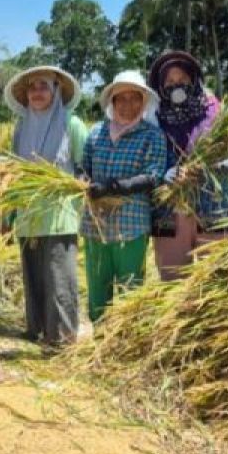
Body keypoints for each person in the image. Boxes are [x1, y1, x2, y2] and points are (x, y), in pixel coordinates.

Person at [3, 66, 90, 345]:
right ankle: (37, 330)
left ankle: (62, 336)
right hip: (28, 213)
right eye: (32, 87)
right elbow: (13, 172)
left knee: (59, 277)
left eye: (43, 86)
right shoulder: (21, 127)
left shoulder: (72, 125)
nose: (37, 92)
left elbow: (85, 168)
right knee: (34, 275)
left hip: (59, 214)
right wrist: (8, 215)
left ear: (56, 91)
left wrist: (73, 185)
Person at [148, 50, 228, 281]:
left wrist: (221, 167)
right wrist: (165, 175)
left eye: (182, 79)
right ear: (160, 87)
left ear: (194, 80)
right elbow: (145, 165)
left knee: (216, 283)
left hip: (214, 210)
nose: (176, 86)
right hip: (170, 217)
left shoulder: (218, 113)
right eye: (169, 82)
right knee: (172, 284)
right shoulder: (153, 120)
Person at [80, 71, 166, 322]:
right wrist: (82, 179)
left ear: (143, 102)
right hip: (96, 226)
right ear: (113, 102)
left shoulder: (152, 135)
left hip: (131, 227)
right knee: (98, 293)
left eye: (134, 98)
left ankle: (128, 341)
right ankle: (100, 339)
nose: (128, 104)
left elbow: (153, 176)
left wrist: (112, 187)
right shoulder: (96, 133)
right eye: (122, 98)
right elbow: (83, 167)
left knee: (131, 294)